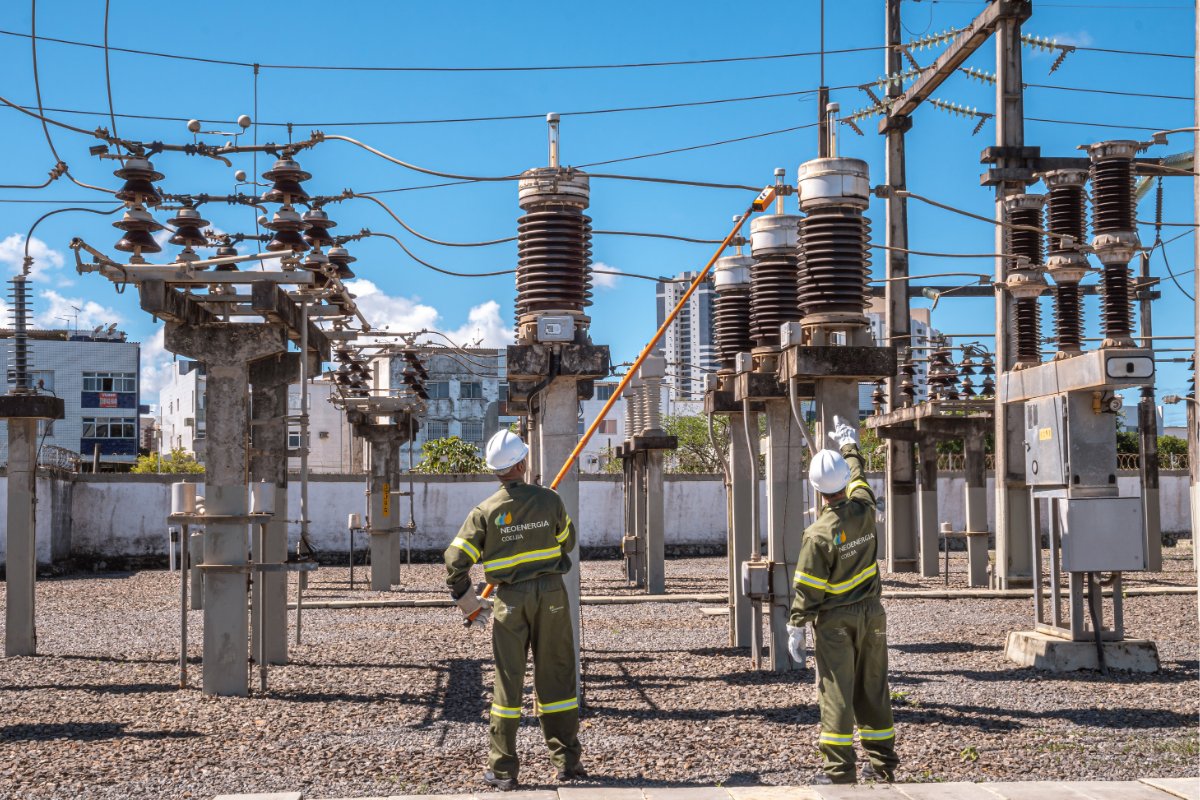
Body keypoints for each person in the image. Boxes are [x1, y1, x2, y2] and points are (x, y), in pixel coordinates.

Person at [444, 429, 585, 792]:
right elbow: (567, 541)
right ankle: (567, 762)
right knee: (556, 675)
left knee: (508, 681)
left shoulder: (485, 512)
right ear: (522, 463)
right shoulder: (549, 500)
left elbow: (455, 560)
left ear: (496, 471)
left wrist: (468, 601)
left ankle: (503, 770)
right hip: (552, 596)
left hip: (509, 600)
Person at [788, 416, 899, 785]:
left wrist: (796, 626)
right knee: (873, 686)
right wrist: (849, 444)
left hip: (836, 623)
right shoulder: (865, 508)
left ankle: (839, 773)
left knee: (836, 692)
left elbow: (808, 588)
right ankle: (883, 766)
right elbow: (859, 476)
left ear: (816, 489)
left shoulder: (818, 534)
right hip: (873, 616)